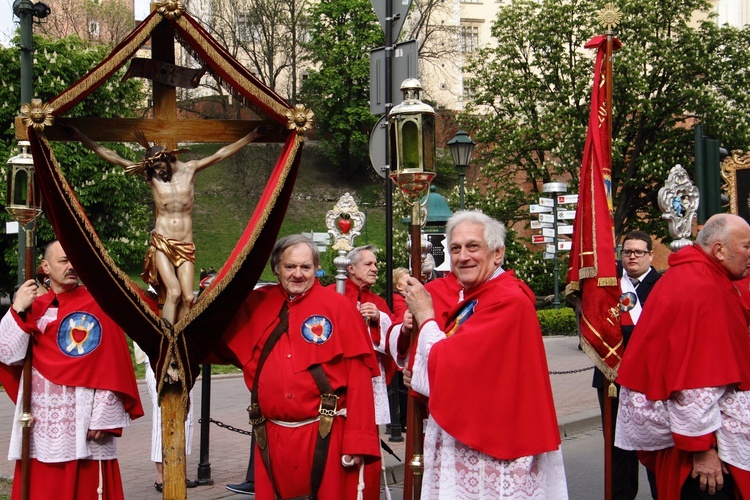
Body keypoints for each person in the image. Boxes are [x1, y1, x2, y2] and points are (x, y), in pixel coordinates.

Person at [391, 210, 568, 498]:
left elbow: (449, 366)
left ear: (498, 254)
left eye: (473, 246)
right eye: (455, 249)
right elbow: (460, 366)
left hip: (496, 446)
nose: (463, 257)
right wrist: (421, 373)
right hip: (474, 437)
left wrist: (425, 314)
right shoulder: (480, 296)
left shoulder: (506, 299)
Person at [214, 235, 381, 499]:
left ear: (317, 268)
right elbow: (215, 341)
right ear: (276, 268)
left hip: (325, 434)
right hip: (270, 438)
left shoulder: (340, 308)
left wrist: (358, 441)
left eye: (306, 267)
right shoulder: (255, 304)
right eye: (290, 266)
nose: (298, 274)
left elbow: (360, 379)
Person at [65, 124, 267, 326]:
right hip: (162, 242)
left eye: (160, 167)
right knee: (174, 291)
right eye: (154, 169)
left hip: (185, 245)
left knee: (188, 298)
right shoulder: (151, 176)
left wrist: (252, 135)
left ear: (169, 159)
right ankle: (165, 337)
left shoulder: (190, 170)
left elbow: (220, 154)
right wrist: (80, 134)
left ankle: (182, 340)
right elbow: (113, 156)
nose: (158, 172)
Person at [615, 213, 750, 499]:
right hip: (703, 455)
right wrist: (701, 450)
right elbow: (695, 381)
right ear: (719, 250)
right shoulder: (702, 288)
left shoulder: (693, 276)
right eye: (747, 246)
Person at [0, 241, 143, 499]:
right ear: (45, 267)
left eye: (74, 260)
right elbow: (8, 355)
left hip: (85, 417)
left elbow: (113, 360)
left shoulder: (99, 304)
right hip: (41, 420)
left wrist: (103, 416)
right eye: (64, 261)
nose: (72, 266)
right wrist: (17, 309)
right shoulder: (35, 307)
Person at [592, 230, 660, 500]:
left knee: (656, 443)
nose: (632, 256)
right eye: (627, 252)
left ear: (650, 255)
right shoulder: (609, 286)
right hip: (612, 377)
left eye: (638, 252)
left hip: (649, 377)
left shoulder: (662, 284)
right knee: (618, 447)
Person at [133, 342, 197, 493]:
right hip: (159, 360)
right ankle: (162, 476)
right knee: (162, 418)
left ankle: (178, 471)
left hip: (182, 360)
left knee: (186, 418)